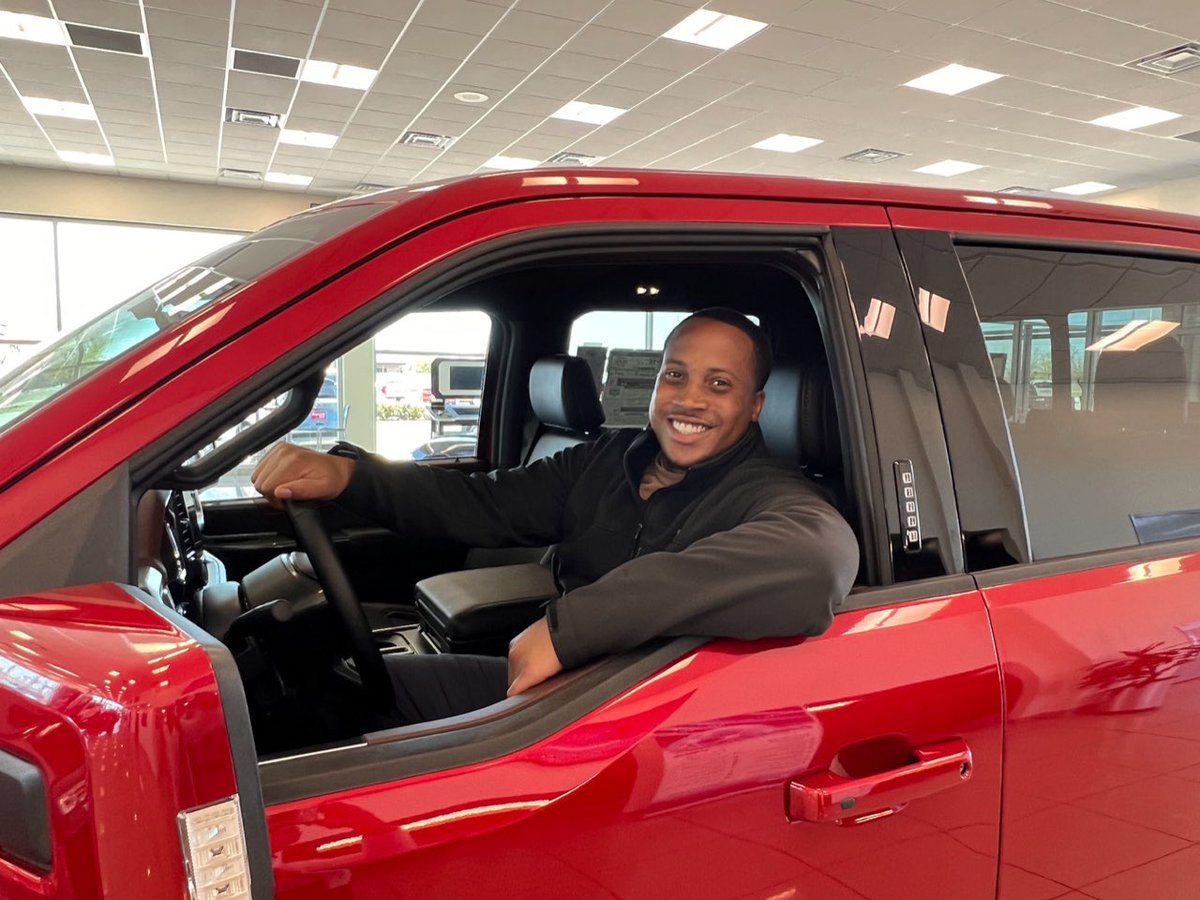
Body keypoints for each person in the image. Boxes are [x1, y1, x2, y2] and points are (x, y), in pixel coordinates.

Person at [252, 308, 859, 724]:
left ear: (754, 407)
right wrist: (352, 477)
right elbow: (484, 504)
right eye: (676, 375)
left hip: (641, 716)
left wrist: (571, 629)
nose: (690, 398)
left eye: (720, 384)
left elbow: (817, 557)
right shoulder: (608, 456)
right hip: (558, 694)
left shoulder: (771, 494)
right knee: (348, 694)